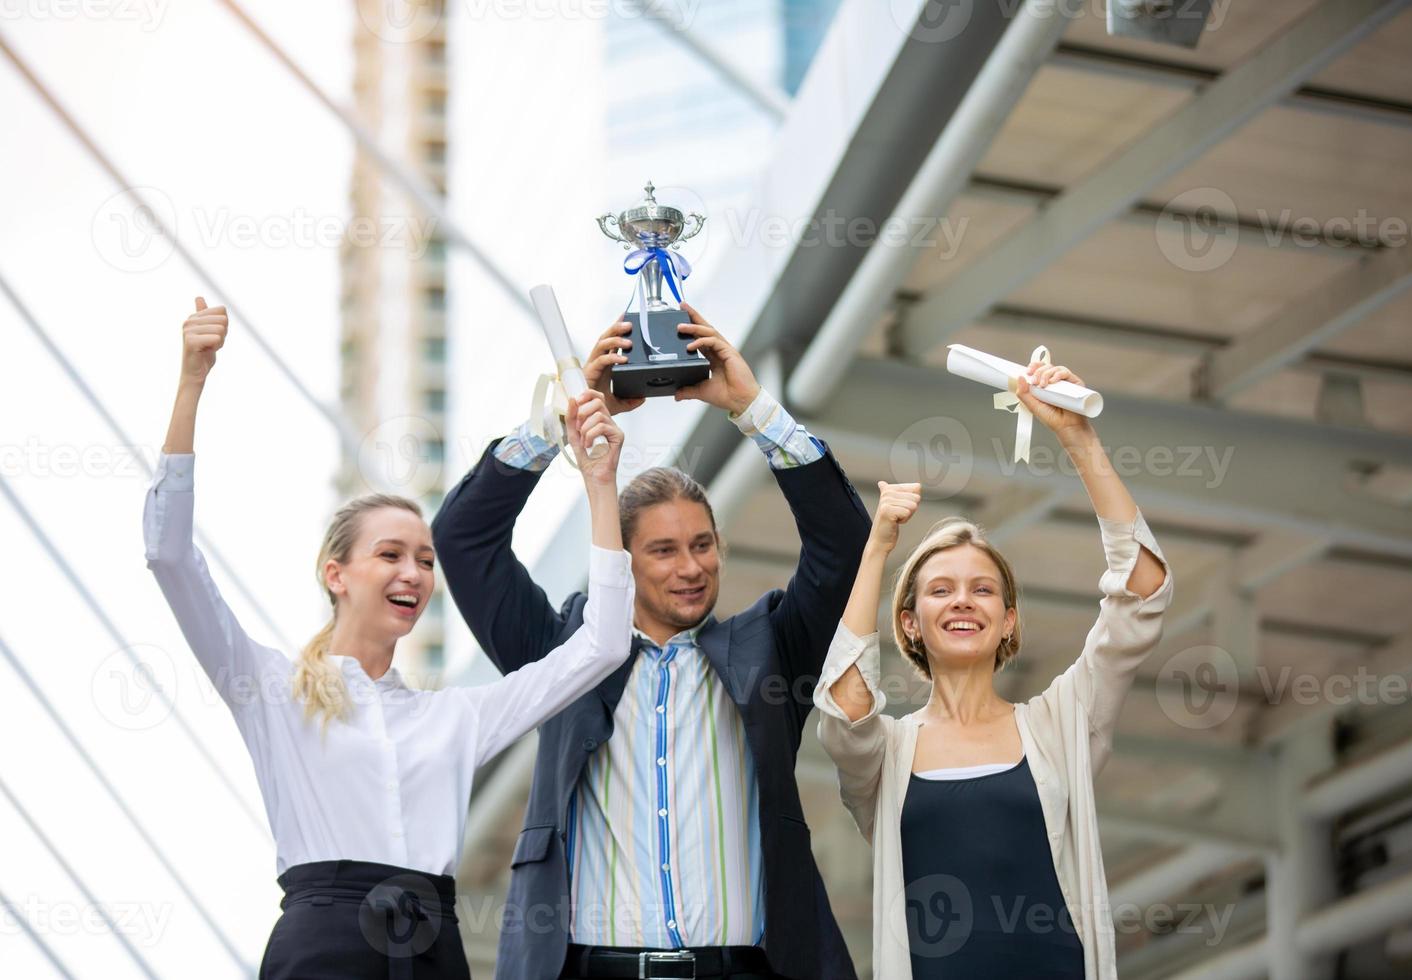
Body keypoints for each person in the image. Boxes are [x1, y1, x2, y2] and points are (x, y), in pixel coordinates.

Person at [145, 297, 635, 979]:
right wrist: (191, 381)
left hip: (435, 951)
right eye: (391, 555)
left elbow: (605, 645)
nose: (414, 573)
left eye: (426, 561)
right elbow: (170, 556)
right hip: (321, 951)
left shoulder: (455, 718)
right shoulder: (269, 689)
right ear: (335, 573)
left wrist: (602, 486)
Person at [431, 305, 869, 980]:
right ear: (621, 561)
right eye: (663, 551)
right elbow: (464, 540)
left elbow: (841, 540)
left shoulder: (770, 652)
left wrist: (751, 408)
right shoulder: (559, 656)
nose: (690, 567)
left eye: (701, 546)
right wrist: (557, 427)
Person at [814, 359, 1174, 980]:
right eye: (940, 590)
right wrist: (877, 548)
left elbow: (1142, 594)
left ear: (1008, 620)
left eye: (982, 590)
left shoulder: (1061, 723)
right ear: (908, 622)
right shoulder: (888, 753)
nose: (961, 601)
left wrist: (1079, 439)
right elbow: (845, 708)